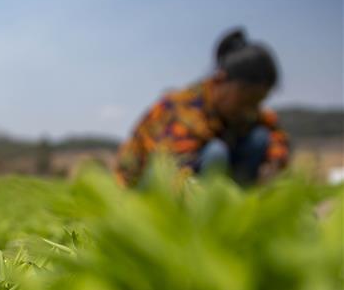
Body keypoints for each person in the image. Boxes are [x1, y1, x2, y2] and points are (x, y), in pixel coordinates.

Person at [116, 29, 289, 186]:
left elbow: (274, 131)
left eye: (258, 102)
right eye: (246, 100)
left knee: (259, 137)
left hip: (193, 175)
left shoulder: (244, 111)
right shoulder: (183, 110)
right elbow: (173, 167)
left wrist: (274, 161)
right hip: (148, 183)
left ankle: (240, 204)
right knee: (216, 153)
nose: (249, 110)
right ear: (220, 80)